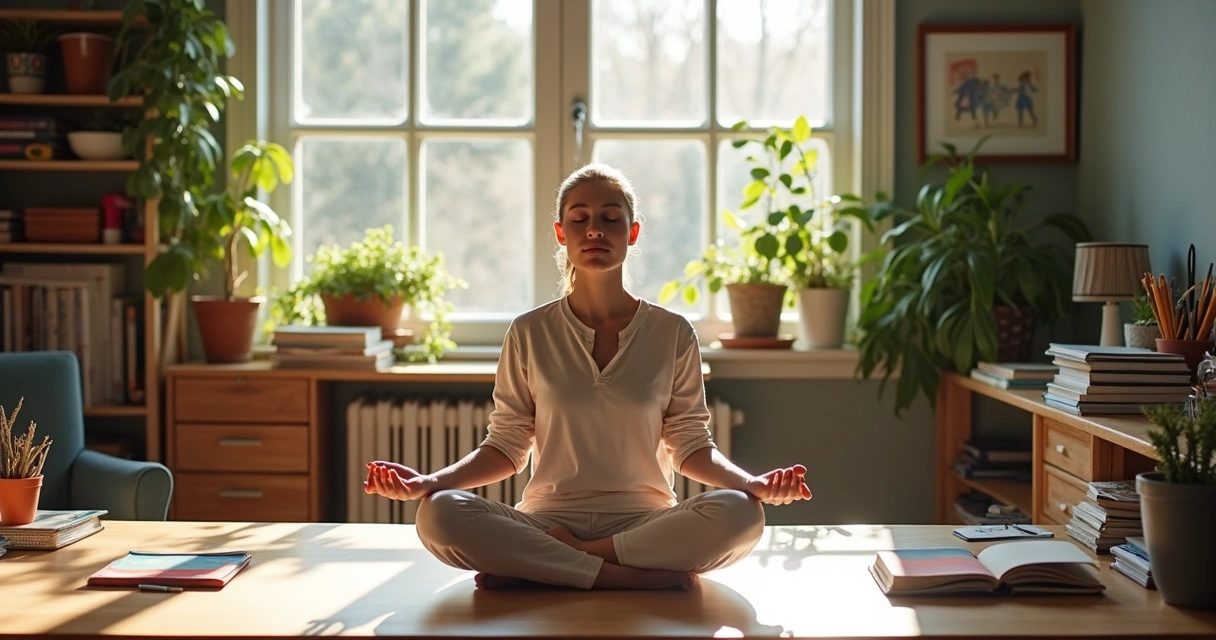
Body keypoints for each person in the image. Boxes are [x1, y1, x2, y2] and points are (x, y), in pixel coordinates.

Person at [363, 163, 812, 591]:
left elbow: (690, 444)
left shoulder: (673, 332)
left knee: (741, 512)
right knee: (438, 514)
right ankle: (623, 578)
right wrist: (429, 483)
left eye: (610, 218)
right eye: (580, 219)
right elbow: (507, 447)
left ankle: (551, 567)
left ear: (632, 233)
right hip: (546, 520)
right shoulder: (529, 331)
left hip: (644, 521)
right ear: (562, 233)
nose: (595, 229)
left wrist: (751, 484)